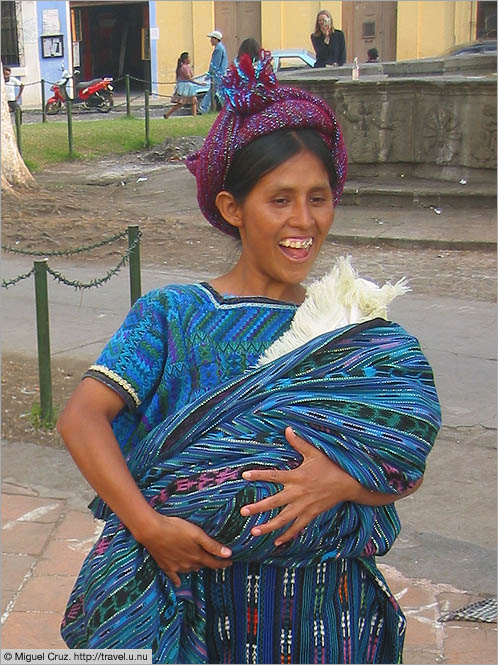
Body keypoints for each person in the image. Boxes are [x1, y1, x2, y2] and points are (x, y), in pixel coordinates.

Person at [58, 50, 441, 664]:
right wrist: (150, 528)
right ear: (233, 209)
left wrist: (340, 482)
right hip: (197, 595)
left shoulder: (350, 329)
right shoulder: (175, 314)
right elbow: (82, 419)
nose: (304, 221)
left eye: (319, 198)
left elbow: (401, 461)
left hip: (327, 610)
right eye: (280, 200)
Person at [199, 29, 228, 114]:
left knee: (215, 92)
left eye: (212, 38)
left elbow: (215, 64)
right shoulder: (220, 48)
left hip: (218, 75)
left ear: (216, 39)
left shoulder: (218, 49)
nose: (210, 40)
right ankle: (204, 108)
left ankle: (203, 108)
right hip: (219, 75)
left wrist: (210, 74)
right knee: (216, 92)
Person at [164, 52, 198, 119]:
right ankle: (167, 114)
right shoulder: (184, 68)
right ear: (185, 59)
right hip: (184, 87)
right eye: (189, 57)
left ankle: (194, 116)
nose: (190, 59)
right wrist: (199, 84)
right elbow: (189, 78)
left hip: (188, 86)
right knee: (181, 103)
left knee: (193, 101)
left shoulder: (187, 67)